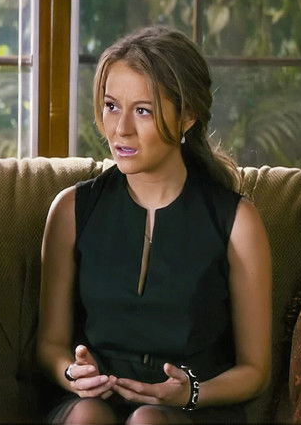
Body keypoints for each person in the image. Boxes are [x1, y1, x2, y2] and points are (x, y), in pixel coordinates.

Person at [37, 26, 272, 424]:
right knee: (86, 417)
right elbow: (50, 345)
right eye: (112, 106)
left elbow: (255, 371)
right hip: (94, 402)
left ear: (187, 117)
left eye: (142, 110)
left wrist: (190, 393)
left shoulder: (237, 222)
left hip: (190, 410)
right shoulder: (71, 210)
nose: (121, 129)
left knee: (147, 421)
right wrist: (73, 374)